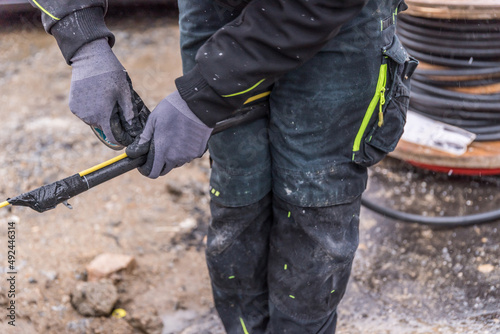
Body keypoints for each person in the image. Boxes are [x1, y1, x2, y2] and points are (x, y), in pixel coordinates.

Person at [29, 0, 416, 332]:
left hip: (332, 13)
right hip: (214, 7)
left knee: (313, 203)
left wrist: (205, 96)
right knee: (238, 192)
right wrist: (82, 38)